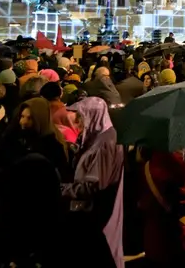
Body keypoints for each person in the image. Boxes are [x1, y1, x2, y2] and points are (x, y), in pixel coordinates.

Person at [62, 97, 126, 267]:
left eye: (81, 117)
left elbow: (94, 185)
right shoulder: (101, 137)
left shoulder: (104, 143)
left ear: (92, 116)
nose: (78, 123)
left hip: (95, 214)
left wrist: (61, 189)